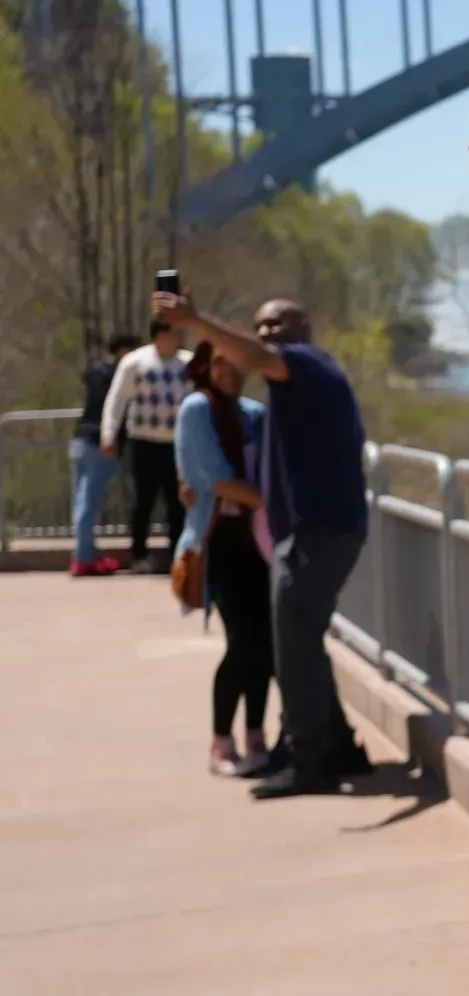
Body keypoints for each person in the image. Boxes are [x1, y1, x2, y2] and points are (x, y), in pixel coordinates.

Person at [153, 292, 373, 800]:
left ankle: (310, 760)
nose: (268, 333)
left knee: (292, 641)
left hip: (319, 529)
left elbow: (257, 356)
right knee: (299, 641)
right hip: (310, 530)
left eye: (277, 324)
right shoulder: (283, 391)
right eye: (261, 326)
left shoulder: (304, 364)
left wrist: (192, 320)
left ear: (304, 326)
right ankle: (337, 746)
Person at [174, 341, 275, 778]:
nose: (228, 371)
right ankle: (221, 741)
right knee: (242, 642)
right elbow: (213, 480)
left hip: (259, 541)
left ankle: (256, 733)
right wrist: (273, 501)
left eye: (235, 363)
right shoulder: (197, 410)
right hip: (220, 541)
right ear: (206, 366)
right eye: (219, 362)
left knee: (266, 644)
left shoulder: (253, 414)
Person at [100, 318, 193, 574]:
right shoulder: (135, 362)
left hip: (179, 443)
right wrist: (109, 433)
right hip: (143, 441)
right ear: (160, 334)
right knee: (143, 501)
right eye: (173, 332)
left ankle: (178, 555)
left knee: (178, 502)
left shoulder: (189, 363)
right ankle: (139, 555)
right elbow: (117, 399)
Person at [69, 331, 141, 576]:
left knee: (81, 500)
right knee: (89, 501)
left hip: (80, 438)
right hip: (102, 441)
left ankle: (84, 552)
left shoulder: (96, 371)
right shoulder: (122, 375)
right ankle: (84, 557)